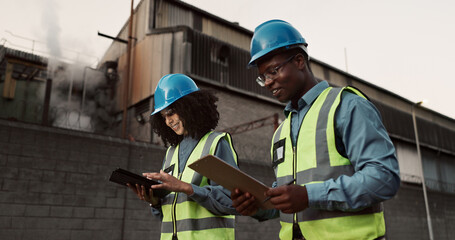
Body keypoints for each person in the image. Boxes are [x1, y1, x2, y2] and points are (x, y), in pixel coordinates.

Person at [231, 20, 400, 240]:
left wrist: (310, 195)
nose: (269, 82)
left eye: (273, 71)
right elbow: (290, 200)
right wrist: (258, 206)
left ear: (299, 61)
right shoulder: (281, 131)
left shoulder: (346, 106)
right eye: (264, 77)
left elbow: (384, 178)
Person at [128, 74, 239, 240]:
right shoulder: (171, 153)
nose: (168, 121)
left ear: (190, 106)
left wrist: (188, 188)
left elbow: (233, 201)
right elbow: (169, 215)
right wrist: (155, 202)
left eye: (171, 113)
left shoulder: (215, 143)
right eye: (164, 116)